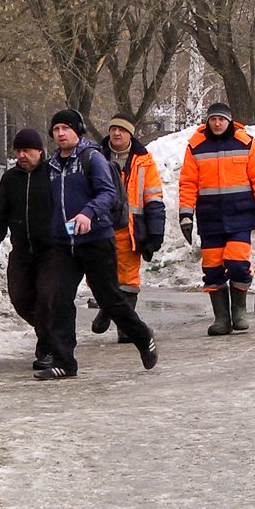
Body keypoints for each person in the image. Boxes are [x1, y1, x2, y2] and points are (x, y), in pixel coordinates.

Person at [40, 109, 158, 380]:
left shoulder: (92, 157)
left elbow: (109, 193)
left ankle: (142, 336)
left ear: (77, 130)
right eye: (56, 129)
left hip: (95, 239)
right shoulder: (53, 164)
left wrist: (88, 213)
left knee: (109, 299)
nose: (60, 134)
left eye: (65, 128)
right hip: (63, 243)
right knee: (58, 299)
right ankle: (64, 361)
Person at [179, 102, 255, 335]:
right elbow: (188, 182)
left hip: (240, 215)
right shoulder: (195, 146)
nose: (217, 123)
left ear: (229, 121)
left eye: (221, 119)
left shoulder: (246, 143)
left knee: (238, 263)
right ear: (208, 121)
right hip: (210, 217)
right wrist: (185, 214)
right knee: (212, 267)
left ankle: (238, 311)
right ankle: (221, 318)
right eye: (213, 119)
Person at [90, 112, 165, 343]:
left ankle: (125, 329)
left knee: (129, 280)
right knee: (99, 275)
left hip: (130, 229)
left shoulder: (144, 162)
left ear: (130, 133)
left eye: (122, 129)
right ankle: (107, 307)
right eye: (113, 128)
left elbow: (153, 197)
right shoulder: (94, 157)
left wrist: (155, 232)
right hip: (100, 226)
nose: (117, 132)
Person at [0, 128, 56, 371]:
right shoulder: (10, 178)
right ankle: (51, 332)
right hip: (22, 251)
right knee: (20, 298)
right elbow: (0, 214)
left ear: (40, 152)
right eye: (18, 151)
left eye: (27, 150)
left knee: (47, 298)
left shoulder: (52, 174)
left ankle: (47, 346)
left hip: (50, 251)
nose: (22, 155)